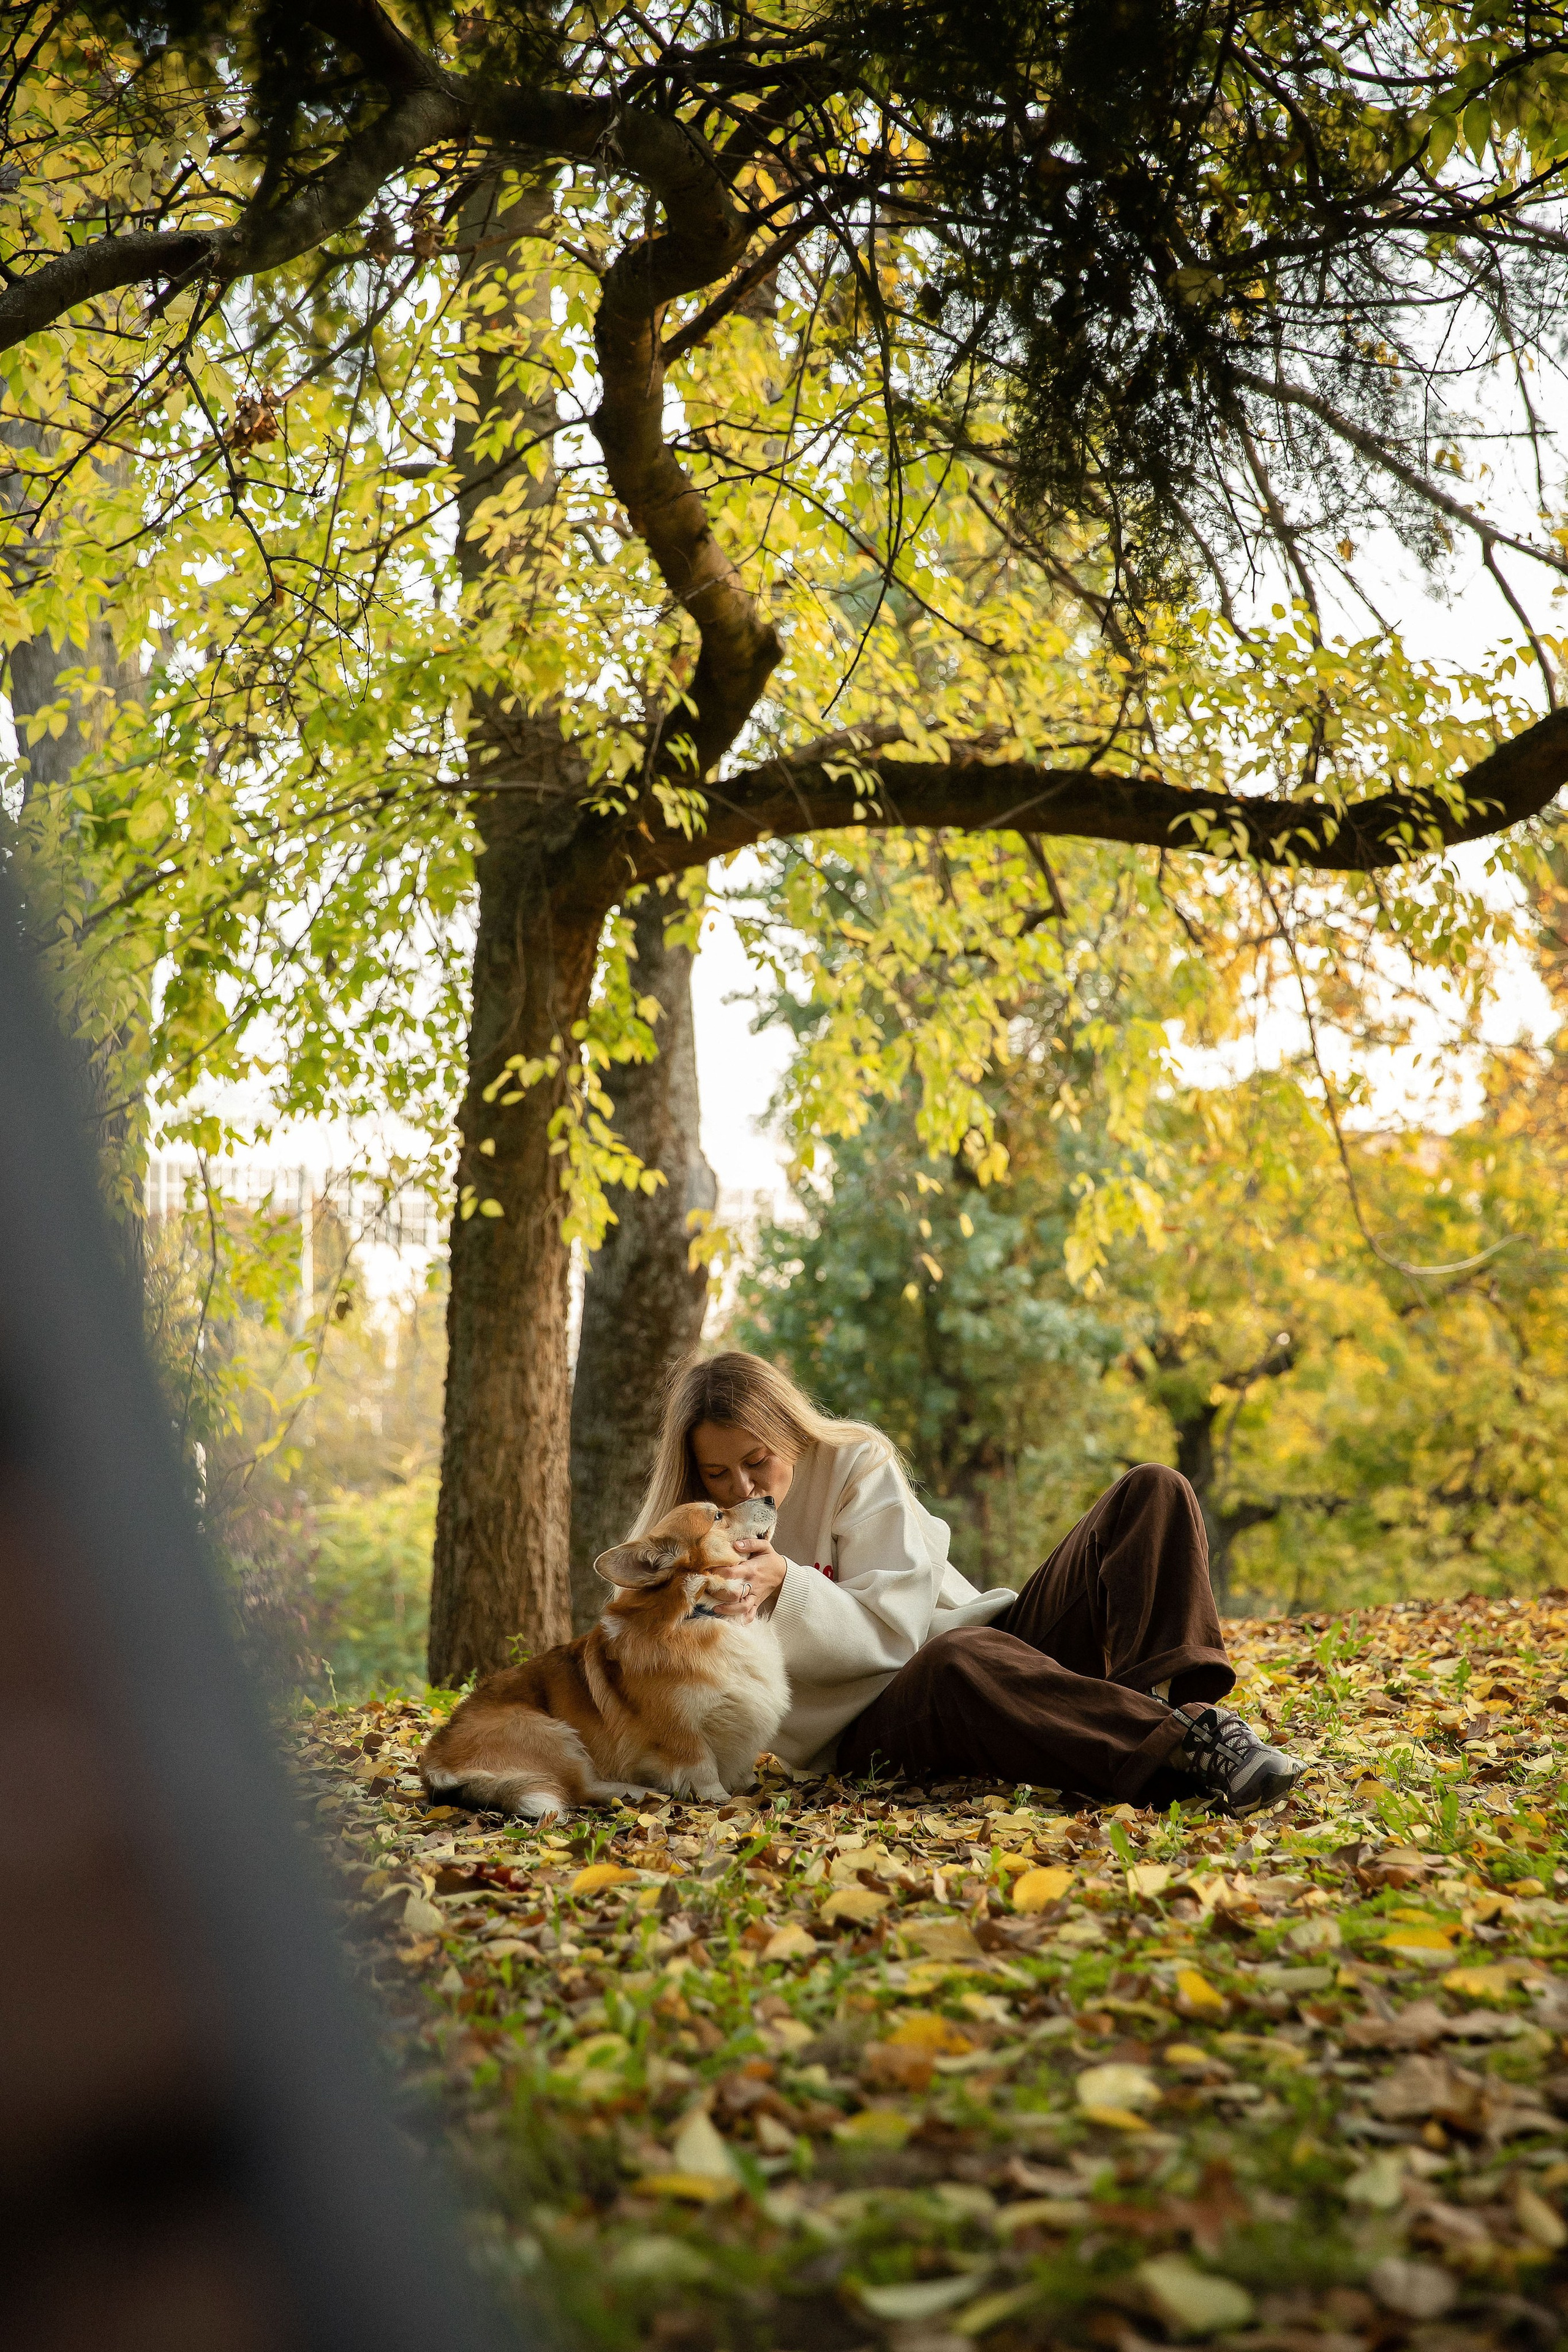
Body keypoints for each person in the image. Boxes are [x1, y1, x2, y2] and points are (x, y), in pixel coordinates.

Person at [627, 1350, 1303, 1815]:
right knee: (954, 1659)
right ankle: (1174, 1746)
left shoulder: (855, 1461)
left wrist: (787, 1582)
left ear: (789, 1432)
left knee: (1153, 1490)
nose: (744, 1487)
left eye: (757, 1460)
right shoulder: (693, 1541)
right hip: (871, 1725)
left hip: (993, 1655)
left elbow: (897, 1626)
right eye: (717, 1474)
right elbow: (656, 1672)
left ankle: (1185, 1724)